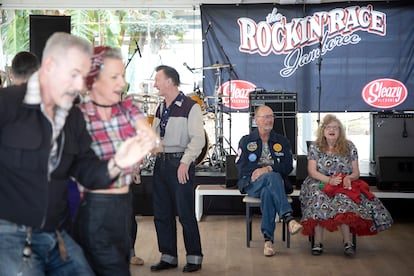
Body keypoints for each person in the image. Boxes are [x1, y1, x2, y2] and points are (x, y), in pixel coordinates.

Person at [0, 32, 157, 275]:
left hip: (56, 235)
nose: (79, 85)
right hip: (9, 236)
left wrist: (117, 163)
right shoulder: (7, 105)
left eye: (82, 77)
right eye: (74, 75)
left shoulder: (72, 117)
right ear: (50, 66)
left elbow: (86, 169)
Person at [73, 46, 154, 275]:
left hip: (119, 200)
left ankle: (130, 249)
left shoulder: (120, 113)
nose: (120, 84)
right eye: (114, 77)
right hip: (95, 205)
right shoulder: (80, 117)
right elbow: (85, 171)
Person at [299, 114, 393, 257]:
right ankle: (317, 243)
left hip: (343, 182)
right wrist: (328, 180)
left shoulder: (349, 146)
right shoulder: (315, 147)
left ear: (340, 131)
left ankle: (348, 243)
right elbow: (312, 171)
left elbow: (356, 172)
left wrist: (349, 178)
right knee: (318, 198)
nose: (332, 130)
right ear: (323, 130)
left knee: (344, 200)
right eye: (329, 127)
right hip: (319, 181)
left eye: (335, 127)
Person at [150, 65, 205, 273]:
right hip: (161, 163)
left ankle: (194, 257)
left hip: (178, 163)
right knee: (161, 213)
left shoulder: (191, 106)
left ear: (169, 82)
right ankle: (168, 256)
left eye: (157, 80)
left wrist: (185, 161)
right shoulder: (160, 107)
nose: (155, 84)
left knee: (185, 213)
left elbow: (198, 139)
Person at [235, 105, 303, 257]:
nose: (269, 120)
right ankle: (288, 217)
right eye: (265, 116)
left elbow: (287, 166)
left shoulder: (282, 141)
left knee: (268, 190)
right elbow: (241, 165)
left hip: (273, 184)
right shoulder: (246, 141)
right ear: (256, 120)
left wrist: (267, 169)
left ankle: (268, 241)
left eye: (271, 116)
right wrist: (259, 171)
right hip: (253, 184)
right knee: (271, 178)